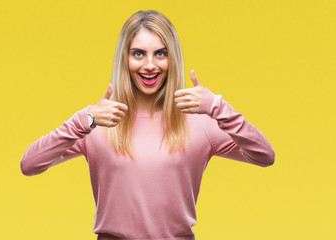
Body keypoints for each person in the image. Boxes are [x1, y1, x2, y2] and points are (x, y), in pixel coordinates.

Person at [20, 10, 275, 240]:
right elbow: (30, 164)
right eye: (138, 53)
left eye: (160, 53)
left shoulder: (199, 122)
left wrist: (218, 107)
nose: (150, 65)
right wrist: (84, 119)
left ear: (171, 58)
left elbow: (264, 155)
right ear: (125, 58)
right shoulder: (100, 121)